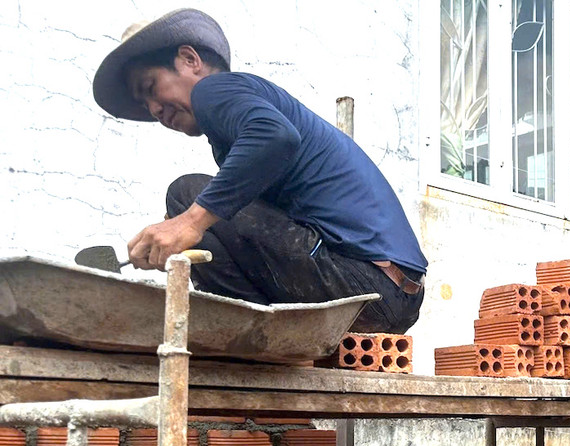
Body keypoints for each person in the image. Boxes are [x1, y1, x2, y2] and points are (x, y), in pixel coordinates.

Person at [91, 9, 427, 332]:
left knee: (186, 194)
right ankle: (268, 338)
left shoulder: (214, 89)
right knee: (204, 212)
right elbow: (256, 228)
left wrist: (189, 221)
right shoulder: (239, 132)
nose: (154, 109)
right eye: (145, 106)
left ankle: (248, 336)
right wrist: (179, 237)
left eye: (151, 88)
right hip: (395, 293)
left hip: (367, 282)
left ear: (190, 60)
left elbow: (275, 137)